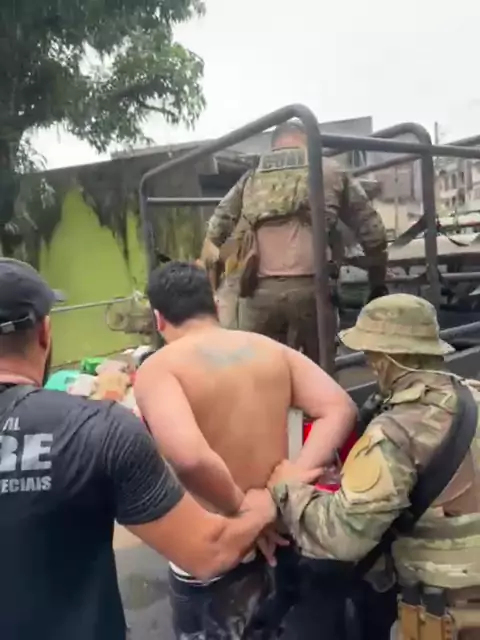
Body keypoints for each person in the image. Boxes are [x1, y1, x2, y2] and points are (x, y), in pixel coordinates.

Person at [0, 258, 280, 640]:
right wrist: (264, 504)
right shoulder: (99, 430)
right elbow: (208, 551)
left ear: (159, 319)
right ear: (45, 333)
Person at [133, 260, 357, 639]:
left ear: (159, 318)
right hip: (284, 532)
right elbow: (340, 408)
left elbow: (190, 457)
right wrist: (282, 489)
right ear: (215, 305)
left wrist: (245, 510)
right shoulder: (270, 349)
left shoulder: (160, 368)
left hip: (220, 546)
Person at [268, 293, 480, 640]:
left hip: (445, 610)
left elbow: (344, 537)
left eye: (370, 355)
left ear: (385, 359)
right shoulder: (471, 394)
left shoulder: (395, 433)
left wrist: (288, 488)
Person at [201, 119, 388, 364]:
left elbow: (216, 229)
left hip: (259, 293)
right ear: (308, 141)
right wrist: (377, 283)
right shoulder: (329, 170)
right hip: (312, 289)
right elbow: (373, 233)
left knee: (261, 367)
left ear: (274, 145)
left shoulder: (253, 175)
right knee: (319, 369)